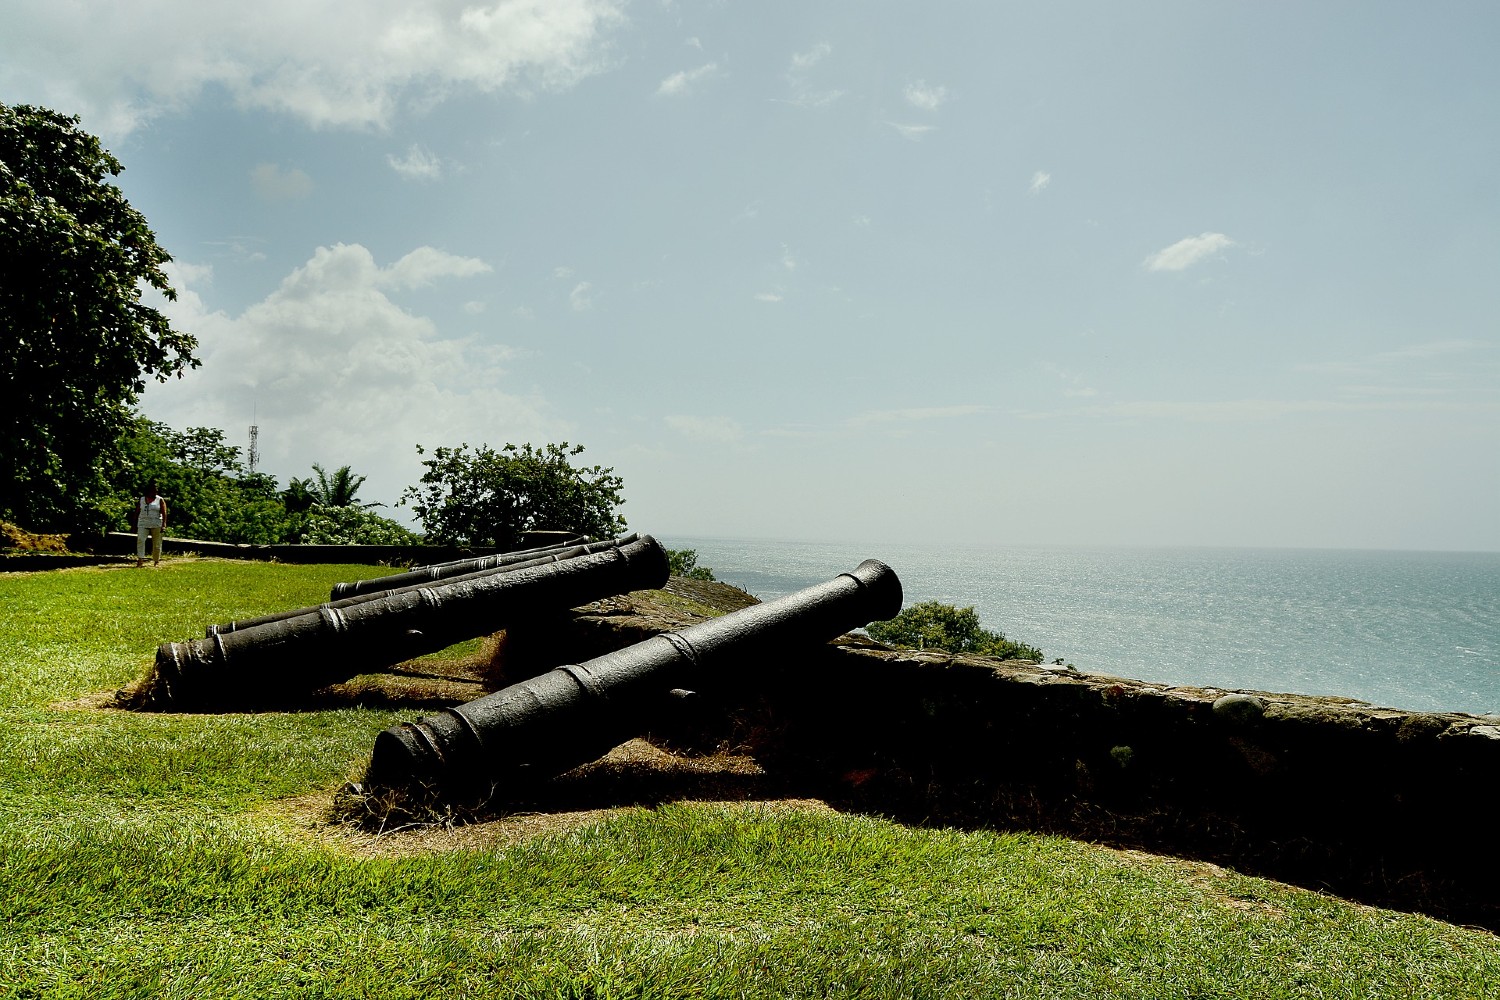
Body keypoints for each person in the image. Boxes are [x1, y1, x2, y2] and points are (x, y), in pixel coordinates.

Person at [131, 481, 168, 567]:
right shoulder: (142, 499)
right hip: (143, 523)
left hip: (156, 524)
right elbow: (137, 512)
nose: (155, 492)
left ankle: (156, 560)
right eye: (153, 490)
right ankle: (140, 559)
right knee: (140, 539)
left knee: (157, 543)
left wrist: (164, 524)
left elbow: (164, 512)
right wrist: (134, 525)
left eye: (156, 491)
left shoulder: (160, 500)